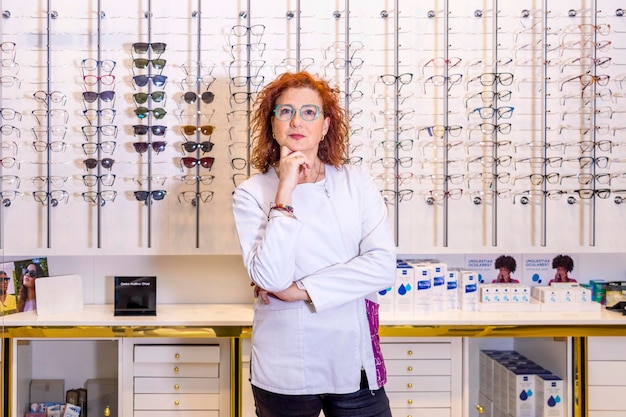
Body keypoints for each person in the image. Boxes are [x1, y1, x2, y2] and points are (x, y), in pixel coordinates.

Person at [232, 71, 396, 417]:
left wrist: (302, 289)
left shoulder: (356, 183)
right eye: (285, 111)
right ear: (272, 124)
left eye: (309, 112)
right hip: (285, 366)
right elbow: (273, 278)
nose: (296, 121)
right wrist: (285, 191)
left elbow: (382, 267)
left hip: (352, 364)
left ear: (324, 125)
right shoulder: (252, 193)